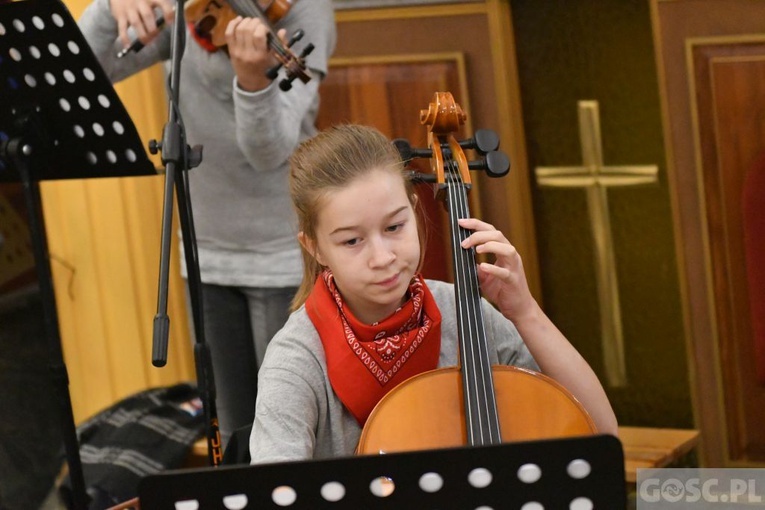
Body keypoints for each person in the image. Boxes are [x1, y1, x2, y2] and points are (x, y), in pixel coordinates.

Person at [249, 124, 618, 464]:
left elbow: (600, 434)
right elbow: (277, 492)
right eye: (352, 240)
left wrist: (526, 313)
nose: (383, 257)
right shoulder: (297, 358)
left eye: (394, 226)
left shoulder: (464, 312)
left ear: (413, 210)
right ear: (314, 247)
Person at [77, 0, 337, 447]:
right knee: (235, 434)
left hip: (283, 256)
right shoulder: (188, 9)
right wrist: (110, 6)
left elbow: (268, 151)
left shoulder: (303, 10)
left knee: (296, 433)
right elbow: (86, 67)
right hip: (205, 252)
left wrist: (254, 83)